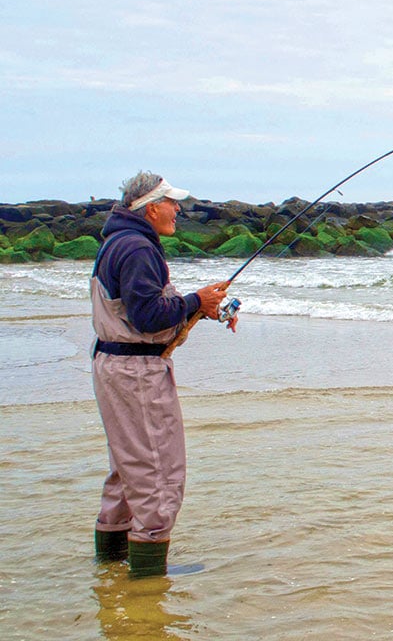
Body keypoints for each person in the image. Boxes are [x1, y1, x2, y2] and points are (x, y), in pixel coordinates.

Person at [91, 171, 237, 578]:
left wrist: (201, 307)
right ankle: (147, 579)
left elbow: (141, 311)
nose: (178, 209)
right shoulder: (138, 248)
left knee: (128, 467)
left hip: (115, 365)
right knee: (157, 470)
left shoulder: (118, 242)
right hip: (136, 370)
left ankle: (112, 564)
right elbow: (147, 317)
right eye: (171, 202)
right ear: (150, 208)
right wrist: (195, 300)